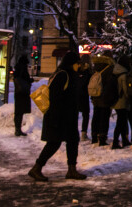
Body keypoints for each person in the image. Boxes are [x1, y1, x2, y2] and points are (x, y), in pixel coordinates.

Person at [28, 51, 87, 182]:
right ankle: (37, 168)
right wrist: (55, 118)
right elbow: (55, 97)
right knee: (54, 143)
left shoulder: (68, 74)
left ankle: (72, 170)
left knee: (72, 141)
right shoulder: (63, 75)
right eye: (77, 63)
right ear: (71, 63)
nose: (79, 66)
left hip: (68, 116)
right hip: (59, 116)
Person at [90, 51, 117, 146]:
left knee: (96, 116)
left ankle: (94, 137)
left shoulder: (96, 67)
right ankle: (102, 138)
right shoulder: (109, 68)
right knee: (104, 118)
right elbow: (110, 84)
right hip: (105, 97)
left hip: (96, 95)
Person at [111, 55, 131, 149]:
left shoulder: (115, 71)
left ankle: (124, 140)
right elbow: (126, 89)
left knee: (122, 121)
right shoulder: (123, 74)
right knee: (121, 122)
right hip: (122, 101)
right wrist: (130, 98)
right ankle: (116, 141)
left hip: (115, 100)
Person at [13, 55, 34, 136]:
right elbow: (25, 79)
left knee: (18, 112)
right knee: (19, 112)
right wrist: (30, 80)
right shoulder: (22, 68)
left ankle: (17, 129)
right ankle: (18, 130)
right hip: (22, 93)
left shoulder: (17, 68)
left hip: (18, 93)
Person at [77, 54, 93, 141]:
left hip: (76, 94)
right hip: (84, 95)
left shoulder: (77, 69)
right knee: (85, 114)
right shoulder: (89, 71)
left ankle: (74, 131)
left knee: (75, 114)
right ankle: (84, 133)